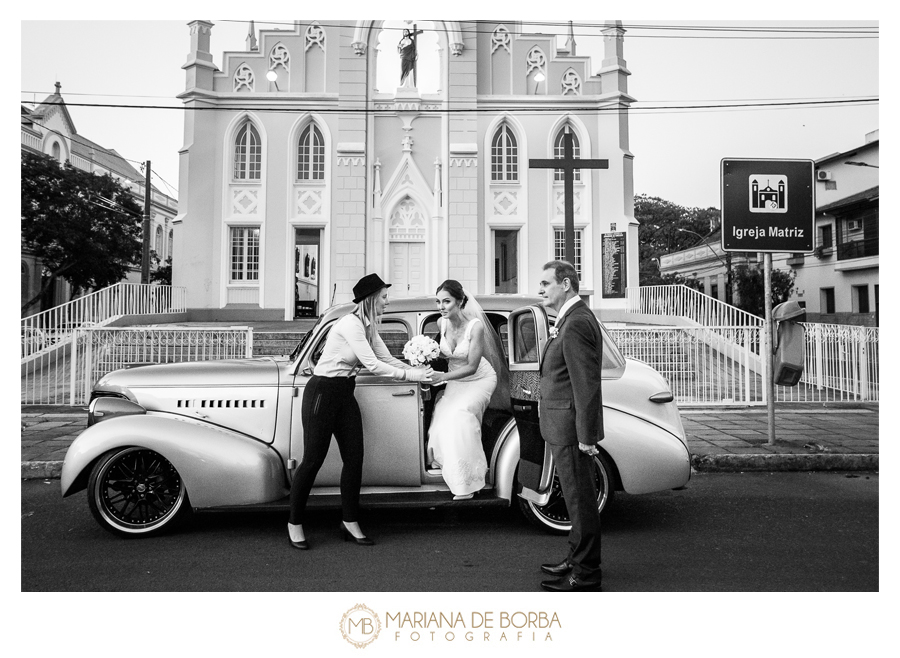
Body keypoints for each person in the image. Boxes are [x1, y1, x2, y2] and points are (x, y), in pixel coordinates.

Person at [287, 273, 433, 549]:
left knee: (354, 458)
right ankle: (294, 523)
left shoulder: (369, 326)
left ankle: (349, 520)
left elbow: (386, 358)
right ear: (371, 300)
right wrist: (411, 377)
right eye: (384, 298)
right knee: (312, 459)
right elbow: (374, 366)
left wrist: (417, 371)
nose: (387, 302)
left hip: (345, 393)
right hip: (323, 392)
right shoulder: (350, 324)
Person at [537, 260, 604, 591]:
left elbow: (586, 385)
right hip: (561, 424)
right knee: (576, 499)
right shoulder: (570, 319)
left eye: (546, 283)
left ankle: (587, 575)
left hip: (570, 428)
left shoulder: (576, 322)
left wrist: (585, 436)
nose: (542, 289)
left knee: (580, 501)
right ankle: (575, 558)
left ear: (565, 284)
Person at [426, 280, 506, 500]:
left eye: (446, 301)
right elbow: (446, 354)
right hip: (456, 379)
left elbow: (471, 366)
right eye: (438, 302)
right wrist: (425, 353)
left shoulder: (475, 326)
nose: (441, 306)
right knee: (442, 417)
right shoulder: (442, 324)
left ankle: (469, 481)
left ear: (460, 302)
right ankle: (451, 465)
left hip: (479, 379)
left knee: (460, 416)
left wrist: (442, 378)